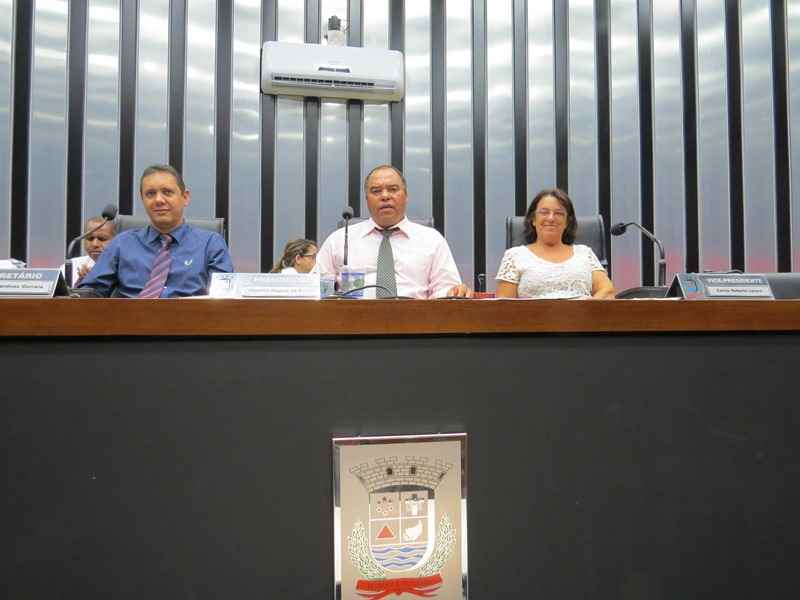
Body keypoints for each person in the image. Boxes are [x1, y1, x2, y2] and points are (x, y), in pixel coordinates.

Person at [316, 165, 471, 298]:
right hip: (351, 319)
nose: (385, 196)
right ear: (366, 199)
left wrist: (453, 292)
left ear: (406, 195)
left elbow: (445, 289)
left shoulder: (432, 240)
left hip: (416, 319)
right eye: (376, 191)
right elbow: (316, 288)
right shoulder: (338, 240)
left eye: (393, 189)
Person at [79, 165, 233, 297]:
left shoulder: (210, 244)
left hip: (190, 320)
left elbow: (225, 298)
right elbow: (90, 293)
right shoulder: (122, 243)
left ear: (185, 197)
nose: (158, 200)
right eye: (150, 194)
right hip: (130, 320)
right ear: (143, 199)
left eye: (167, 192)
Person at [495, 188, 615, 299]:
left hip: (582, 315)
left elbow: (607, 291)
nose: (551, 218)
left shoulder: (585, 253)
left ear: (567, 222)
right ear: (533, 219)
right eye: (544, 212)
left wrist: (584, 310)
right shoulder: (514, 256)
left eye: (559, 213)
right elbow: (504, 307)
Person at [63, 216, 117, 286]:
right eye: (90, 238)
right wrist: (80, 282)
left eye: (102, 239)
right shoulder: (71, 265)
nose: (95, 244)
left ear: (116, 240)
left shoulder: (125, 268)